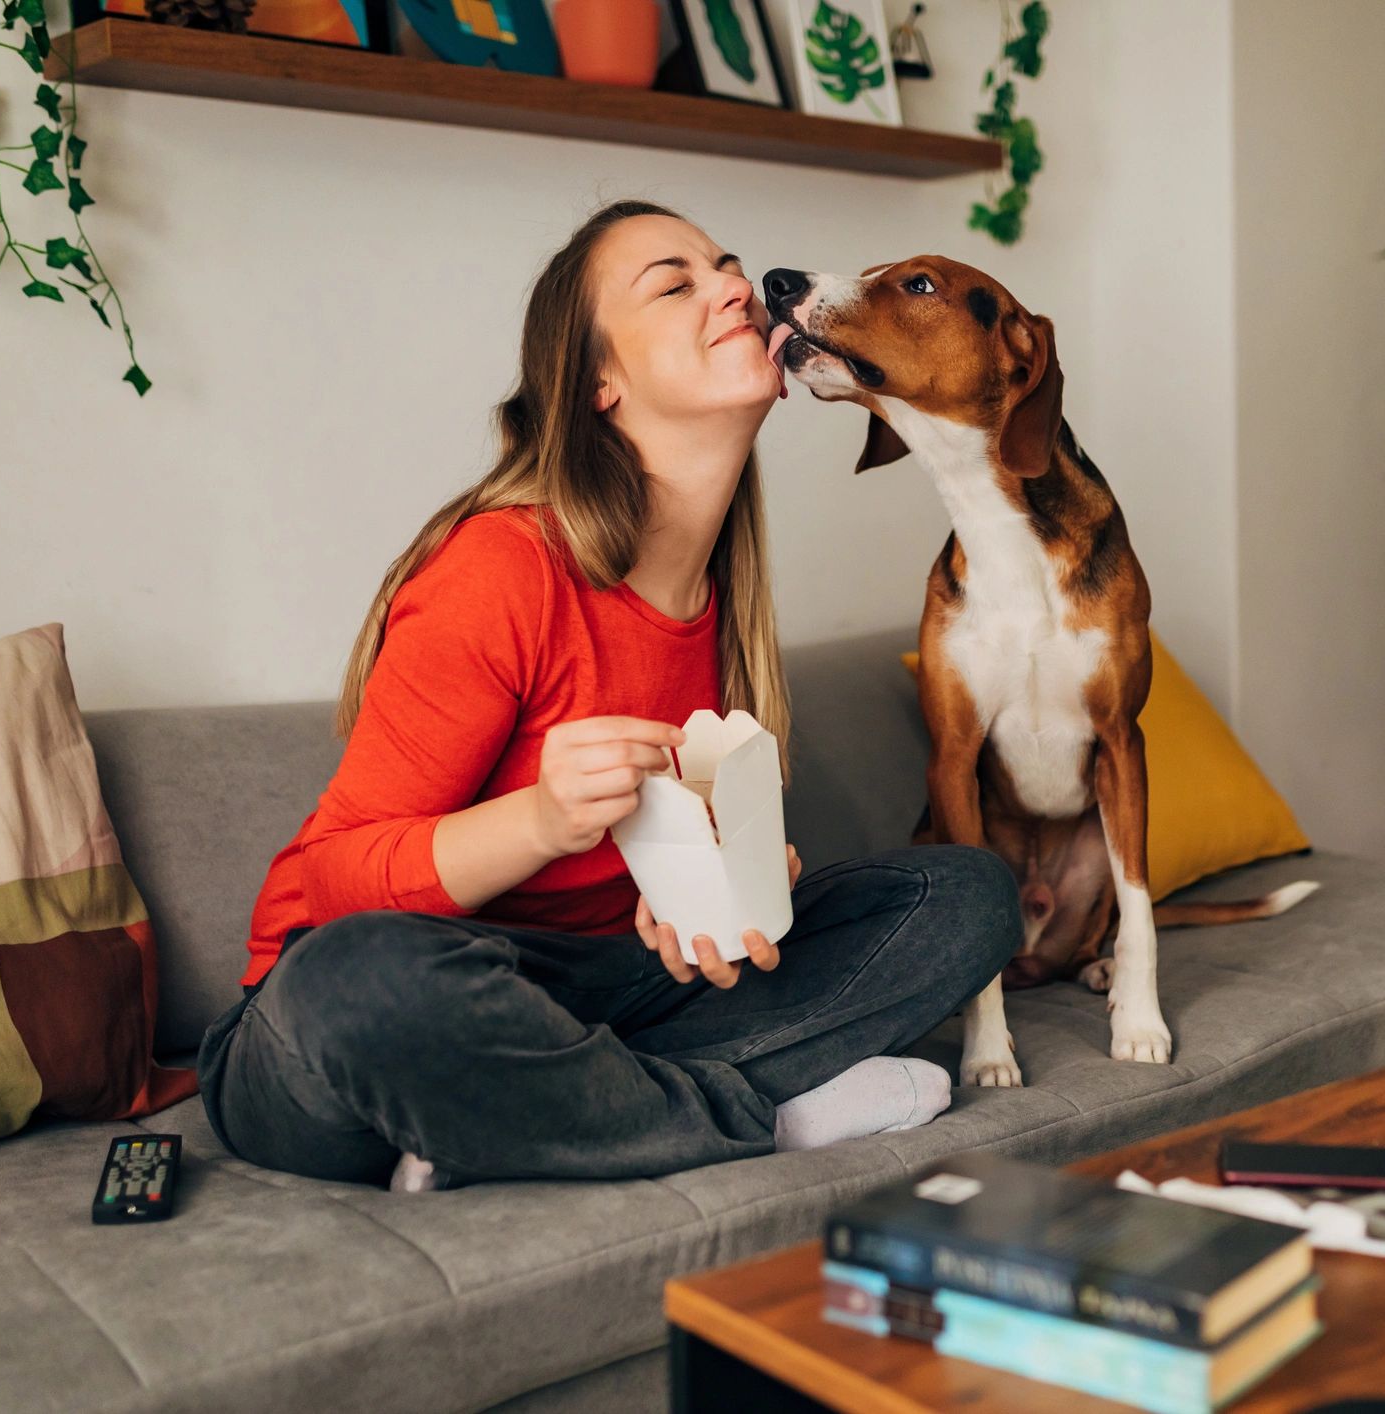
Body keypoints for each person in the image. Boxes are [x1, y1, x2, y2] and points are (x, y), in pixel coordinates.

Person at [195, 200, 1021, 1192]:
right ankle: (756, 1117)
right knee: (359, 983)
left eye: (726, 266)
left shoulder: (727, 607)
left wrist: (713, 907)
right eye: (675, 284)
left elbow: (663, 913)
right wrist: (542, 819)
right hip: (338, 1023)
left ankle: (520, 1127)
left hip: (598, 1000)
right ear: (597, 385)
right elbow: (333, 883)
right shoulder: (501, 570)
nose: (732, 287)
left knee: (966, 896)